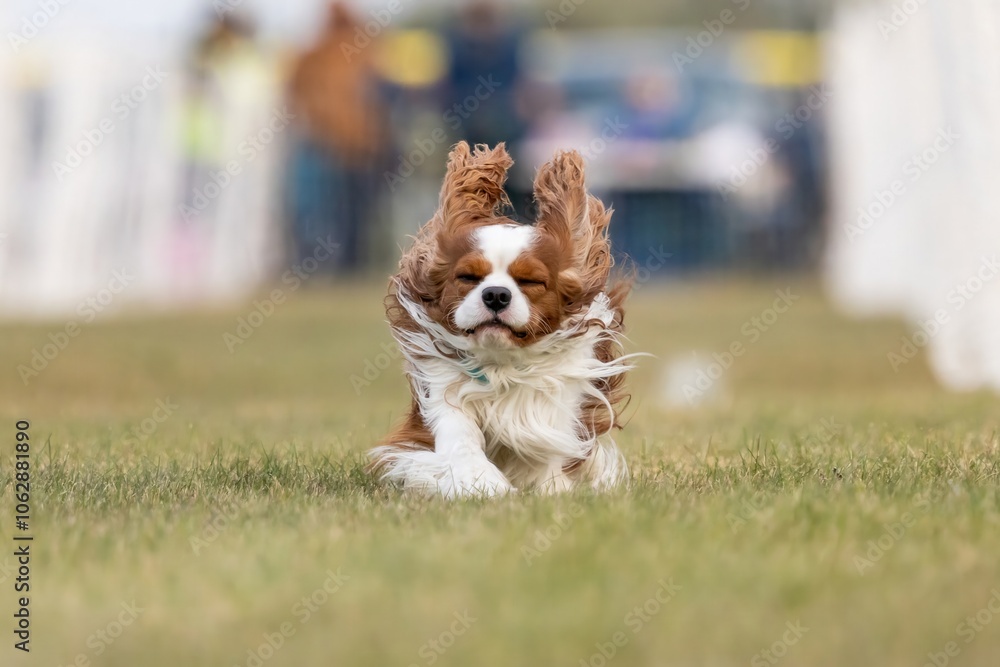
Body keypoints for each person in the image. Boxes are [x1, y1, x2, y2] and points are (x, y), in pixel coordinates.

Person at [287, 2, 387, 272]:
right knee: (323, 209)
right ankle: (323, 264)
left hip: (354, 146)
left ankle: (346, 264)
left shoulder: (362, 53)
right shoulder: (316, 56)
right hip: (328, 146)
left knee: (350, 210)